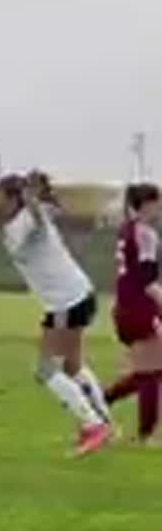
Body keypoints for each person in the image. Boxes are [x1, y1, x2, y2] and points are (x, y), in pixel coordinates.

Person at [0, 170, 113, 455]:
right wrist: (33, 198)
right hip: (77, 296)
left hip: (66, 303)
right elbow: (44, 212)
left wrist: (31, 199)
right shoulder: (29, 216)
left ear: (15, 200)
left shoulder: (24, 222)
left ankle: (94, 424)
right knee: (72, 366)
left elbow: (34, 218)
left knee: (46, 371)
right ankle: (104, 422)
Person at [101, 183, 162, 443]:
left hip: (126, 307)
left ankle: (98, 403)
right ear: (147, 204)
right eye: (157, 202)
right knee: (150, 371)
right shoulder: (146, 234)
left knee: (149, 370)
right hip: (140, 307)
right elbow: (147, 279)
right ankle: (145, 436)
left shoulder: (127, 230)